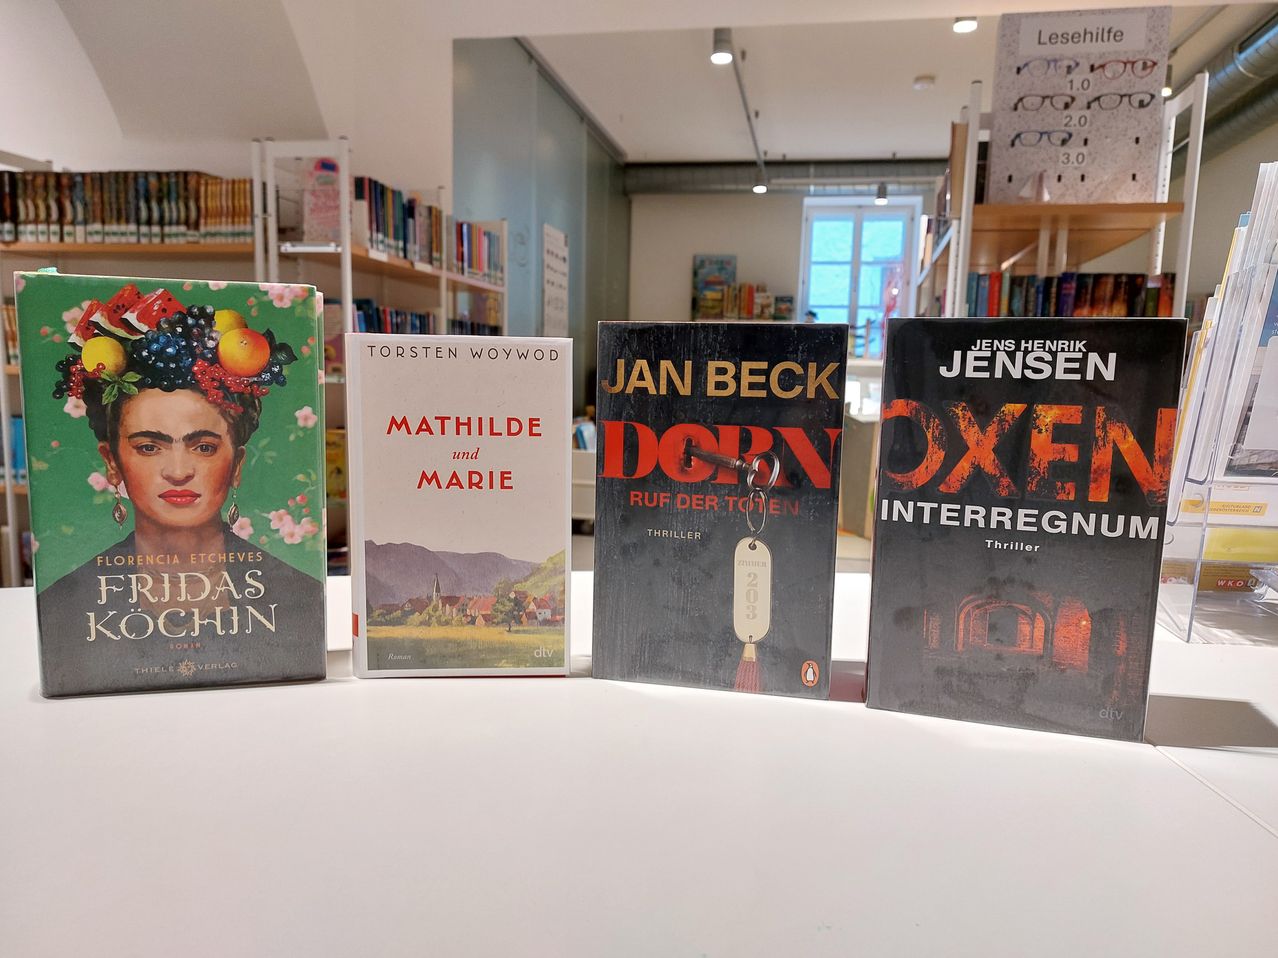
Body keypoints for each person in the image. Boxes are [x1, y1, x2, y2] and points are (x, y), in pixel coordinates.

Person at [37, 284, 323, 694]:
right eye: (149, 447)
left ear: (237, 464)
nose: (177, 471)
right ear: (112, 463)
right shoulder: (63, 607)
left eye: (203, 447)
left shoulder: (301, 596)